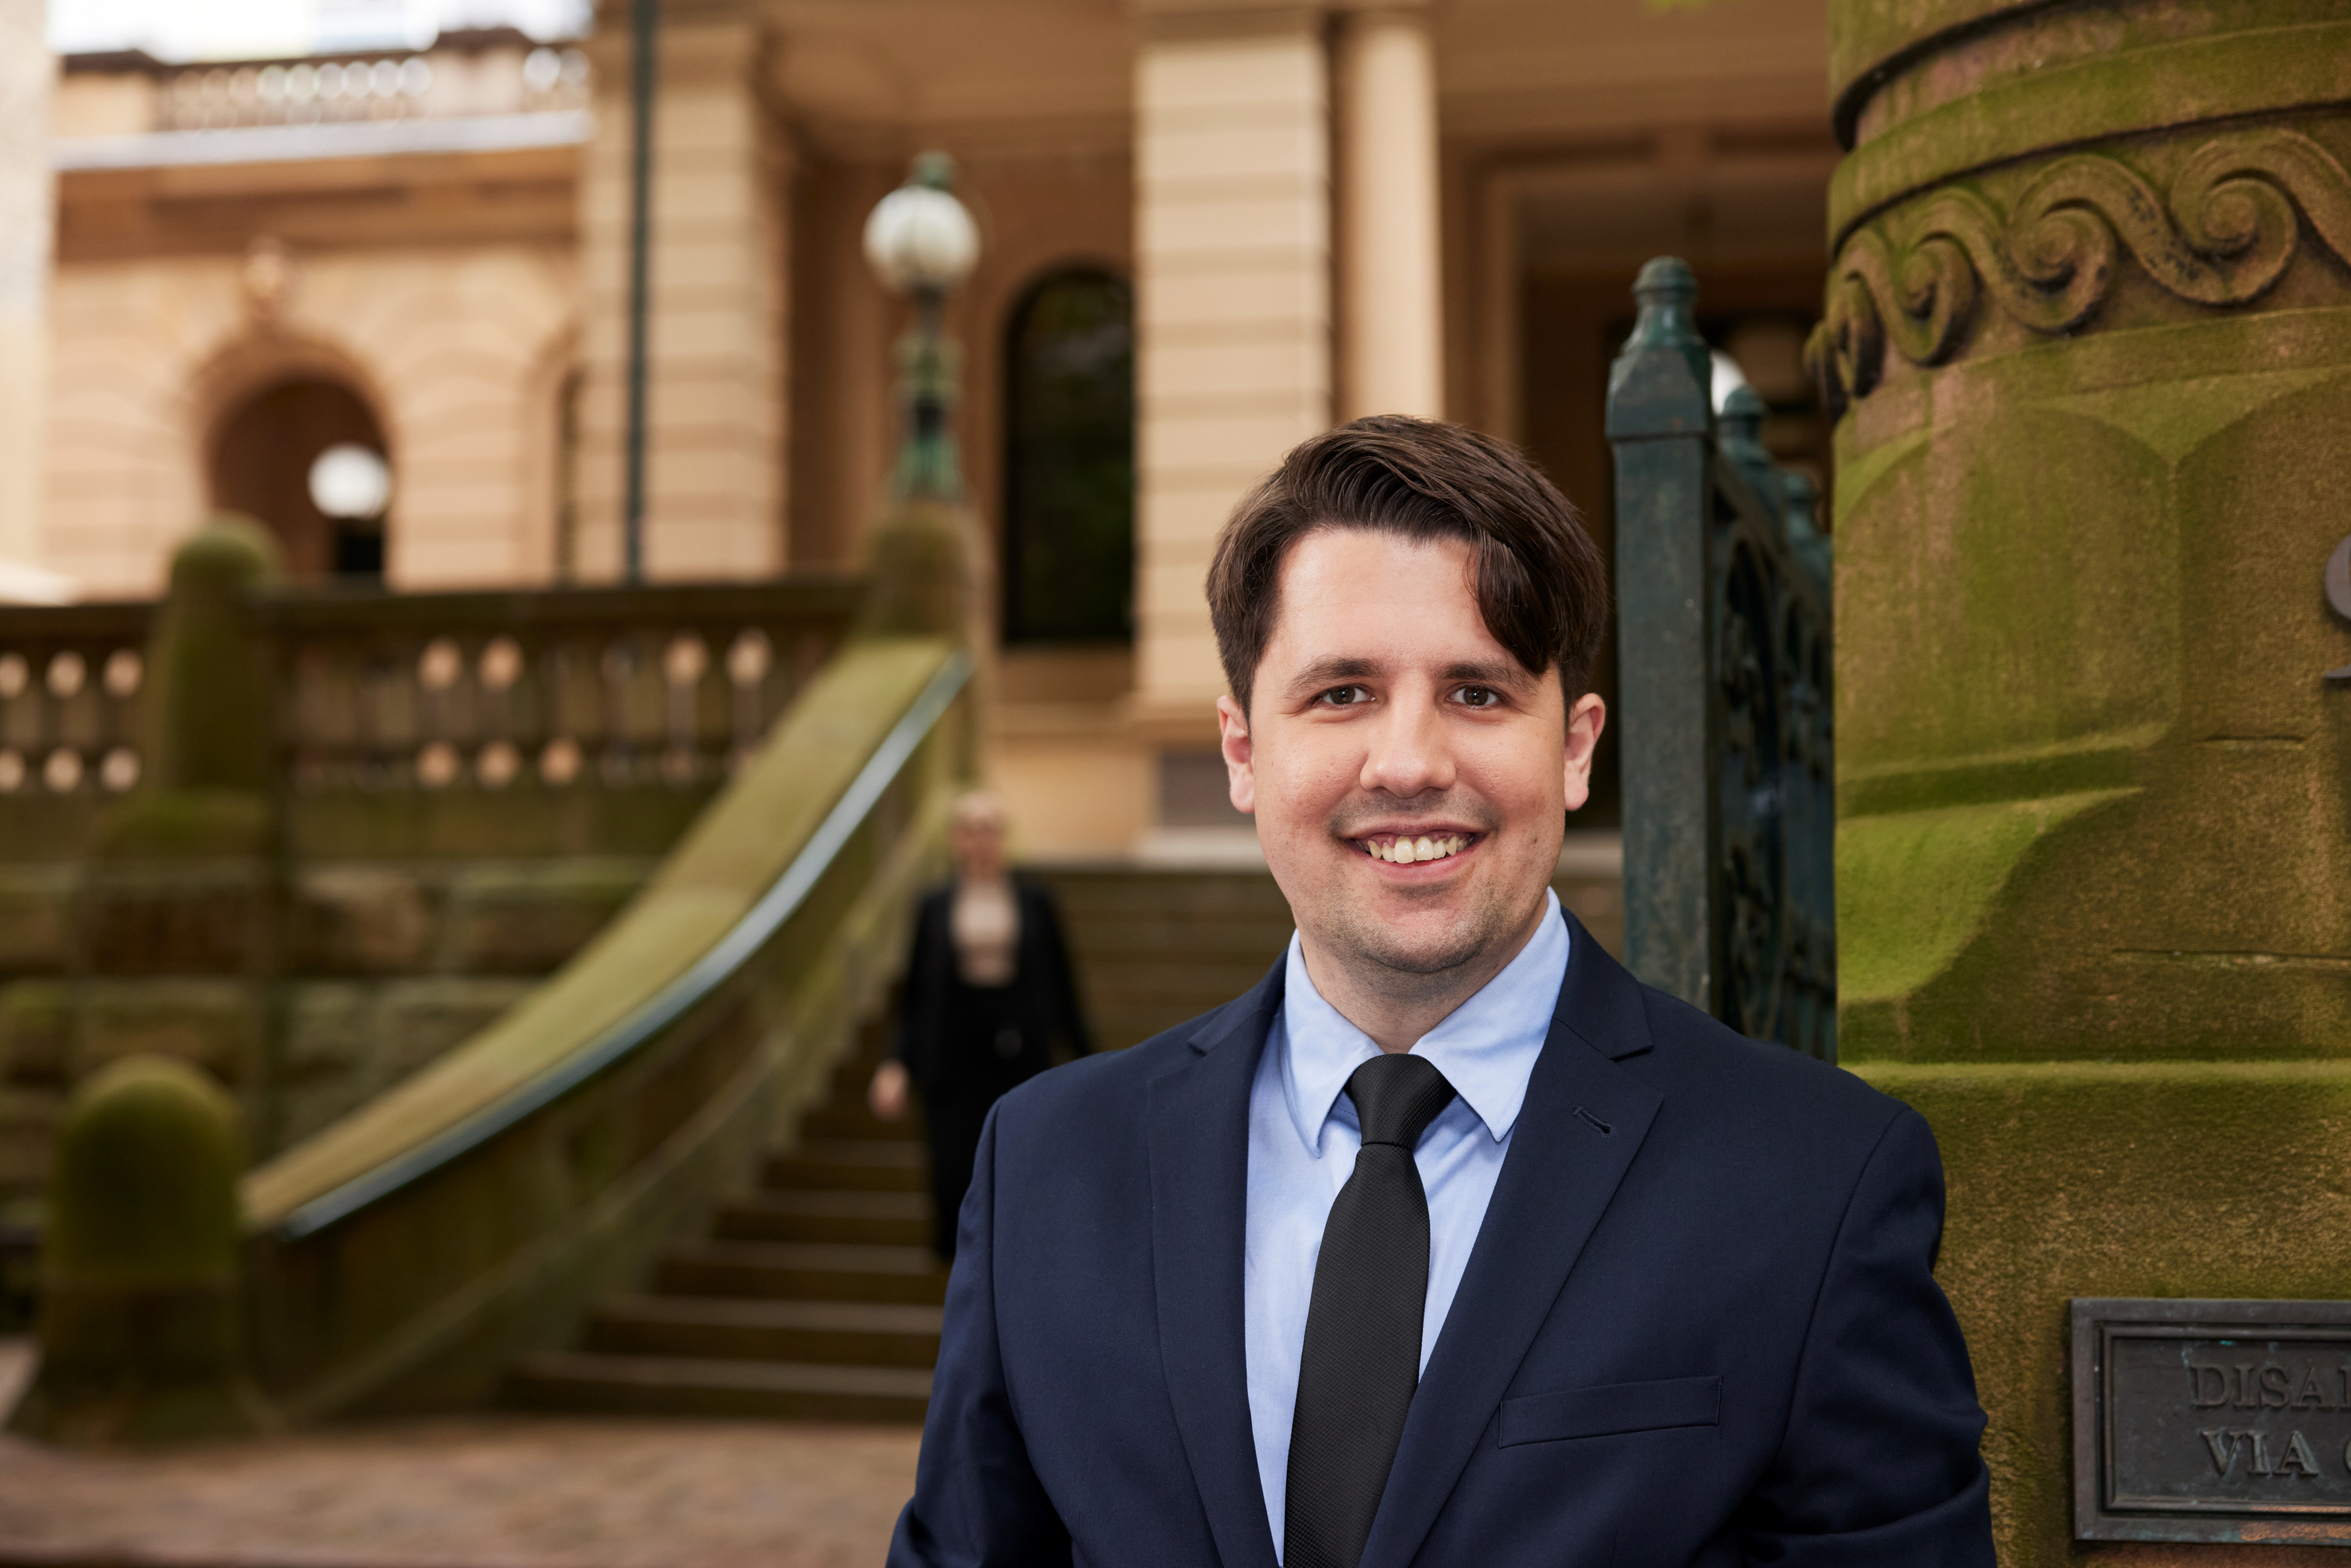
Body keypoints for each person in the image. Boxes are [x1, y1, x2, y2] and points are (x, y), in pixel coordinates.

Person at [890, 417, 1992, 1566]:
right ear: (1239, 750)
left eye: (1474, 691)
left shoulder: (1814, 1183)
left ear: (1573, 748)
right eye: (1340, 693)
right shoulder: (1045, 1168)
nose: (1409, 762)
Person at [870, 790, 1091, 1261]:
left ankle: (1014, 1267)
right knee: (953, 1170)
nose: (982, 840)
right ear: (957, 840)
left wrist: (1090, 1062)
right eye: (972, 829)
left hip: (1018, 1050)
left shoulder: (1034, 901)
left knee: (1020, 1164)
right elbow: (915, 994)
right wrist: (895, 1062)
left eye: (991, 828)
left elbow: (1062, 985)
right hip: (951, 1055)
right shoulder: (934, 905)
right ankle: (956, 1274)